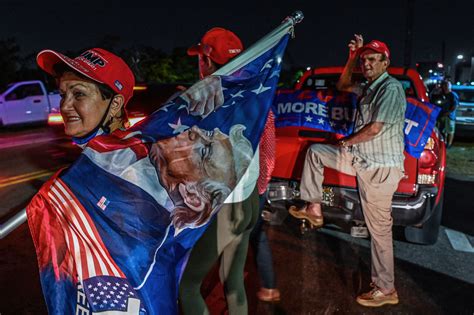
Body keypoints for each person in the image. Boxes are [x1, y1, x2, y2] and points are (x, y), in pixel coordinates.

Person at [289, 34, 406, 307]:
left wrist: (347, 142)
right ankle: (314, 209)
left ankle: (386, 288)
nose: (367, 64)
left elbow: (375, 128)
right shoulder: (368, 88)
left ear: (385, 62)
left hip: (379, 169)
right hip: (361, 160)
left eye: (372, 59)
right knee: (316, 153)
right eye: (364, 60)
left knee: (379, 232)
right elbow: (342, 84)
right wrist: (351, 57)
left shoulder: (390, 89)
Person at [179, 27, 276, 314]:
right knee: (232, 281)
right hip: (248, 203)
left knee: (186, 286)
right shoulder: (257, 99)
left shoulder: (204, 103)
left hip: (225, 206)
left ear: (207, 62)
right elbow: (269, 154)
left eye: (201, 58)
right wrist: (256, 194)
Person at [436, 80, 459, 147]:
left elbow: (455, 105)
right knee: (442, 131)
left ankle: (449, 144)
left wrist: (449, 112)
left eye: (447, 85)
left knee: (450, 131)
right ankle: (443, 143)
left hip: (449, 116)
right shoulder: (442, 94)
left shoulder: (453, 95)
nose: (445, 87)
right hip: (442, 115)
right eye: (444, 85)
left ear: (450, 86)